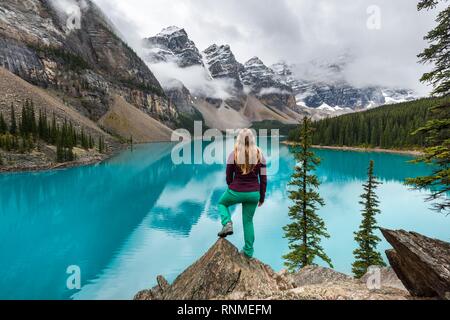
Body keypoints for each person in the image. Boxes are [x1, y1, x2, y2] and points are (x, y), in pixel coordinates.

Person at [217, 129, 267, 258]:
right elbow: (264, 179)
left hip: (236, 190)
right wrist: (261, 197)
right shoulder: (260, 155)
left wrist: (232, 188)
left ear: (238, 140)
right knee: (248, 221)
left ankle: (227, 223)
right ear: (252, 140)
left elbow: (228, 176)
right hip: (254, 193)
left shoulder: (233, 154)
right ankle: (248, 252)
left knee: (222, 203)